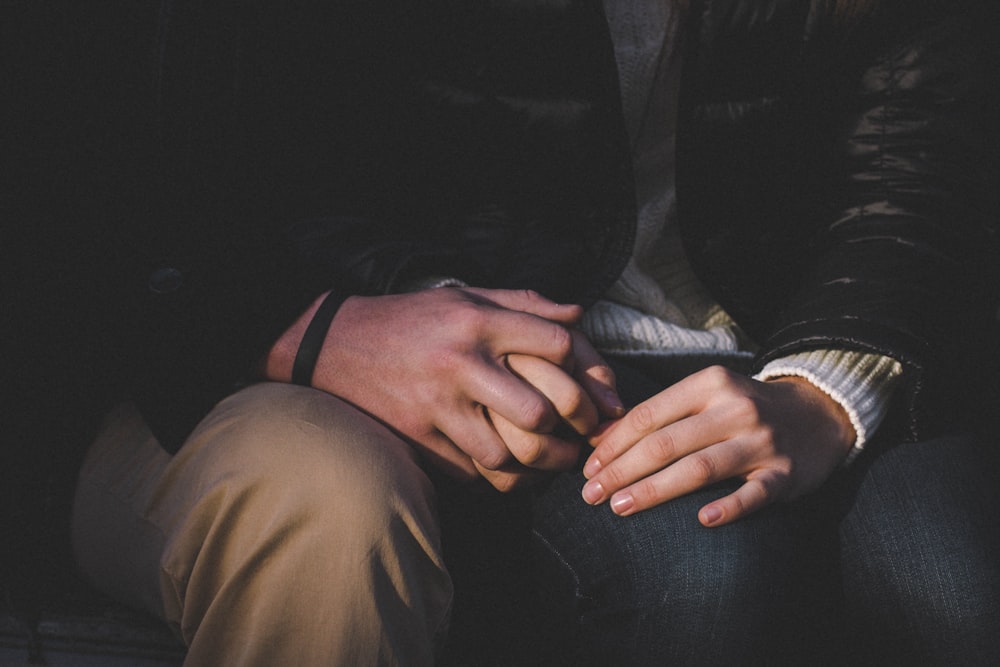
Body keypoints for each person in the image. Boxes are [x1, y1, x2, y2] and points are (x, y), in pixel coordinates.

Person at [7, 0, 998, 664]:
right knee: (704, 580)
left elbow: (923, 146)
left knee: (953, 580)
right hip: (528, 350)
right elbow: (227, 169)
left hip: (816, 333)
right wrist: (368, 314)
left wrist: (830, 382)